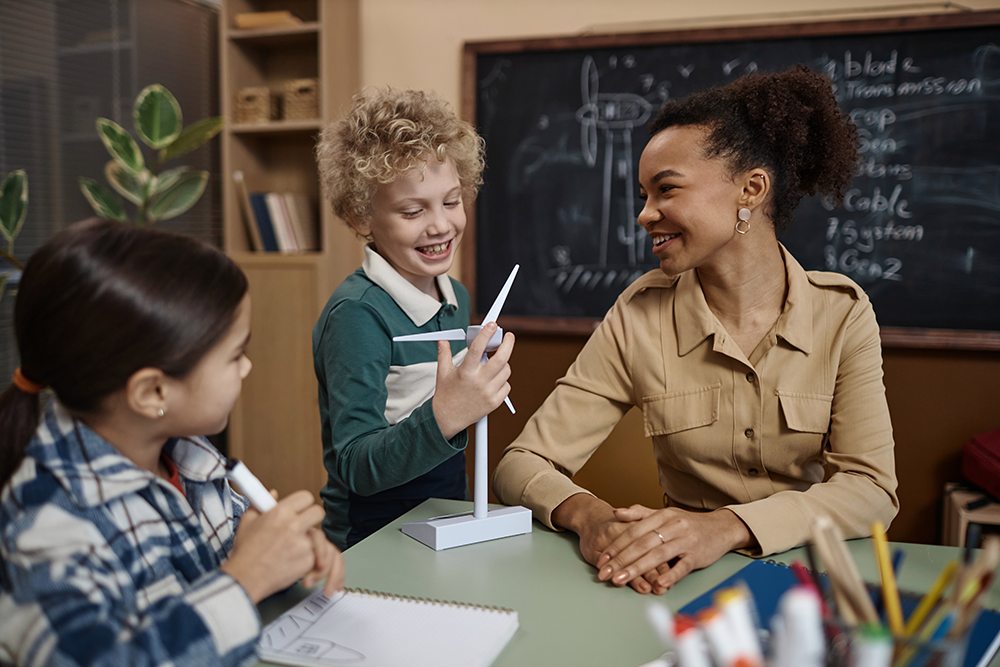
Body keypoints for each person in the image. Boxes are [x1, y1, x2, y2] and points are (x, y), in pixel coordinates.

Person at [493, 66, 899, 594]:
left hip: (813, 577)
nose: (645, 214)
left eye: (666, 190)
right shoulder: (638, 315)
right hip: (681, 582)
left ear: (751, 189)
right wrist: (590, 517)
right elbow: (519, 464)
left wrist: (723, 527)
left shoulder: (841, 312)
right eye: (643, 195)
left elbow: (870, 489)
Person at [0, 219, 345, 665]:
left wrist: (283, 556)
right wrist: (245, 580)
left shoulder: (189, 452)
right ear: (153, 392)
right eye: (235, 355)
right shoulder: (47, 523)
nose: (247, 368)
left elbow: (231, 562)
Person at [314, 88, 515, 549]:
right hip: (373, 540)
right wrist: (446, 412)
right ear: (360, 215)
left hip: (443, 520)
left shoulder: (455, 296)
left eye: (450, 201)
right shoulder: (358, 316)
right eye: (412, 211)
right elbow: (356, 467)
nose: (441, 225)